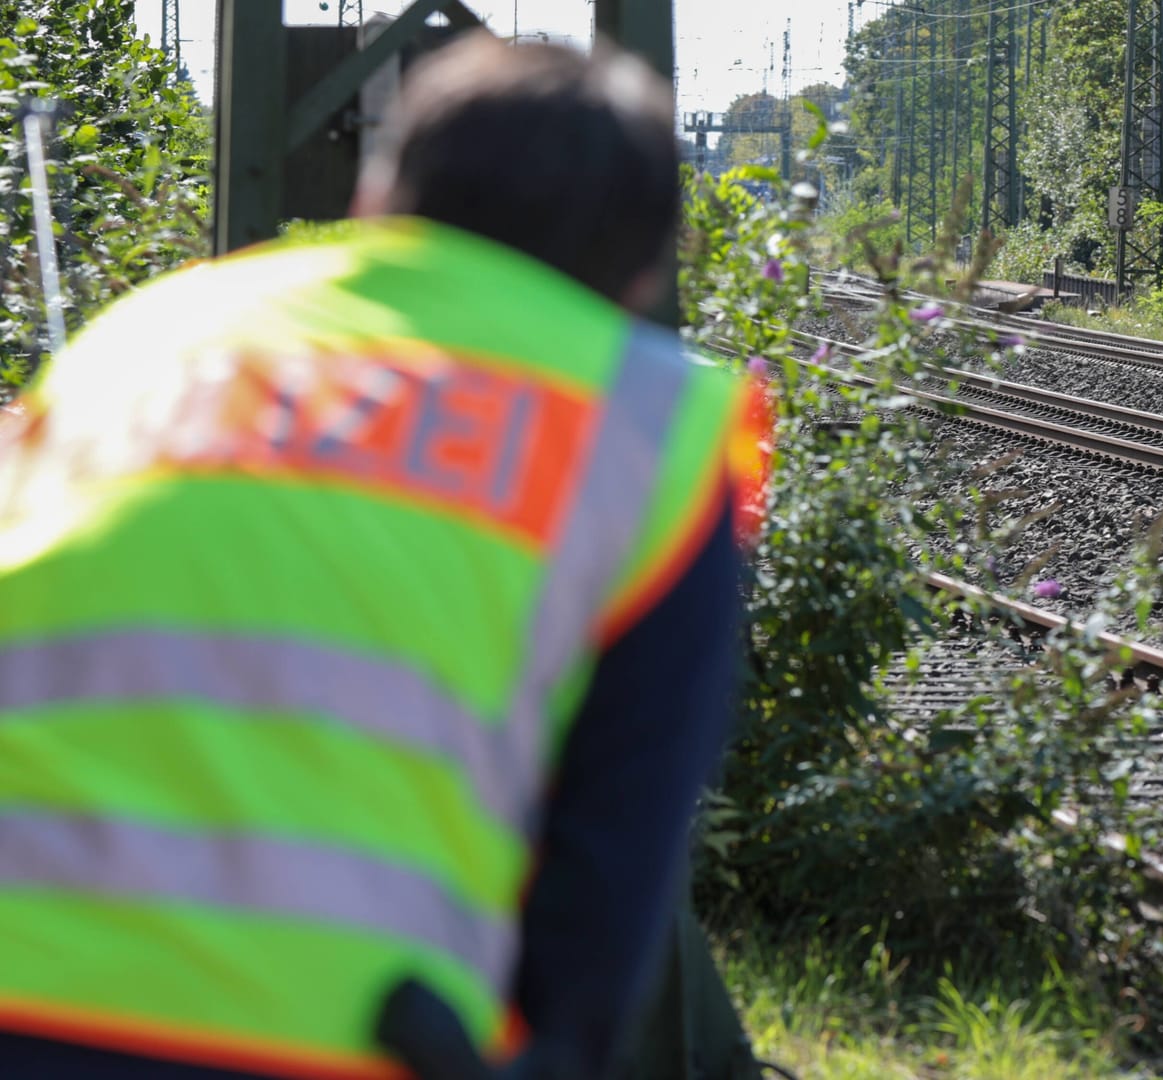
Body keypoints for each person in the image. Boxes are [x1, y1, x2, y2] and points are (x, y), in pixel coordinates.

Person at [0, 33, 763, 1080]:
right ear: (643, 270)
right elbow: (613, 858)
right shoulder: (644, 424)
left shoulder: (146, 337)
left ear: (378, 195)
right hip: (327, 1034)